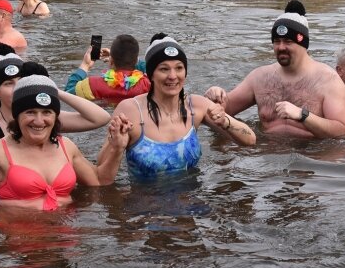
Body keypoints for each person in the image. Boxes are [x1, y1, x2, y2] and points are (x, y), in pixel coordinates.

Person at [0, 75, 130, 211]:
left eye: (47, 112)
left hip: (64, 238)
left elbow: (99, 180)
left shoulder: (66, 146)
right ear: (17, 115)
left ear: (55, 116)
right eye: (30, 112)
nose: (39, 121)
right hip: (20, 243)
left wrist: (117, 148)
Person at [99, 34, 255, 181]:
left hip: (192, 202)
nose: (173, 76)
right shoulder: (130, 110)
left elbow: (250, 140)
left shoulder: (196, 106)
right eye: (164, 69)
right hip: (145, 205)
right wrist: (117, 147)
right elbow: (100, 171)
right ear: (151, 74)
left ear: (185, 72)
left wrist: (226, 123)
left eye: (179, 68)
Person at [205, 0, 345, 139]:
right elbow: (224, 110)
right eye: (276, 41)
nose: (281, 47)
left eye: (288, 41)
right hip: (266, 156)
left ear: (303, 44)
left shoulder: (328, 80)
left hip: (309, 156)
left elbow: (343, 131)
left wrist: (303, 115)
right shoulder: (259, 77)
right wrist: (215, 96)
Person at [0, 45, 112, 149]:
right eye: (8, 83)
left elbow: (100, 118)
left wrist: (52, 89)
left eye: (21, 81)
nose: (17, 87)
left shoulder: (43, 119)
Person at [65, 34, 150, 102]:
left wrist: (85, 65)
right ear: (136, 61)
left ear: (111, 61)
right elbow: (152, 68)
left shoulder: (92, 85)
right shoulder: (147, 85)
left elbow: (67, 96)